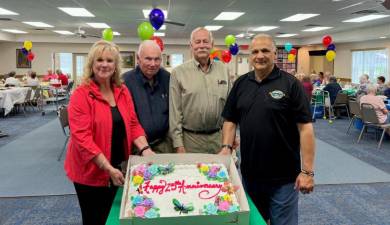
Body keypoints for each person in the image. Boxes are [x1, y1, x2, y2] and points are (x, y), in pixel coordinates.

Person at [219, 34, 315, 225]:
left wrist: (307, 171)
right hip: (250, 175)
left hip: (284, 178)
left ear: (274, 53)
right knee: (254, 222)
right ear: (249, 55)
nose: (260, 56)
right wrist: (226, 147)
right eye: (255, 51)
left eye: (265, 51)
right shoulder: (241, 84)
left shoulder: (291, 84)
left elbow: (306, 129)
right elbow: (230, 120)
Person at [64, 40, 155, 225]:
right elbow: (82, 139)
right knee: (95, 218)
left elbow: (133, 123)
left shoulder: (122, 91)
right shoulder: (81, 95)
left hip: (117, 167)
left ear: (116, 65)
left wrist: (146, 149)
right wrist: (107, 168)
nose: (104, 64)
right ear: (92, 64)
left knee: (114, 216)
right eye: (99, 60)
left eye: (109, 60)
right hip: (90, 172)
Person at [169, 27, 231, 154]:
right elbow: (175, 113)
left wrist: (229, 141)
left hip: (218, 139)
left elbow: (230, 109)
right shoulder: (178, 73)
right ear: (191, 46)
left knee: (220, 173)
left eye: (205, 41)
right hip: (190, 141)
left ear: (212, 45)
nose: (202, 46)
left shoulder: (224, 70)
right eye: (197, 42)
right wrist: (178, 145)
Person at [123, 40, 173, 154]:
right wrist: (143, 148)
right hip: (137, 147)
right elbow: (128, 121)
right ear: (138, 58)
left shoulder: (167, 78)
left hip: (164, 144)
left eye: (157, 59)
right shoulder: (125, 82)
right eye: (148, 59)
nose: (153, 64)